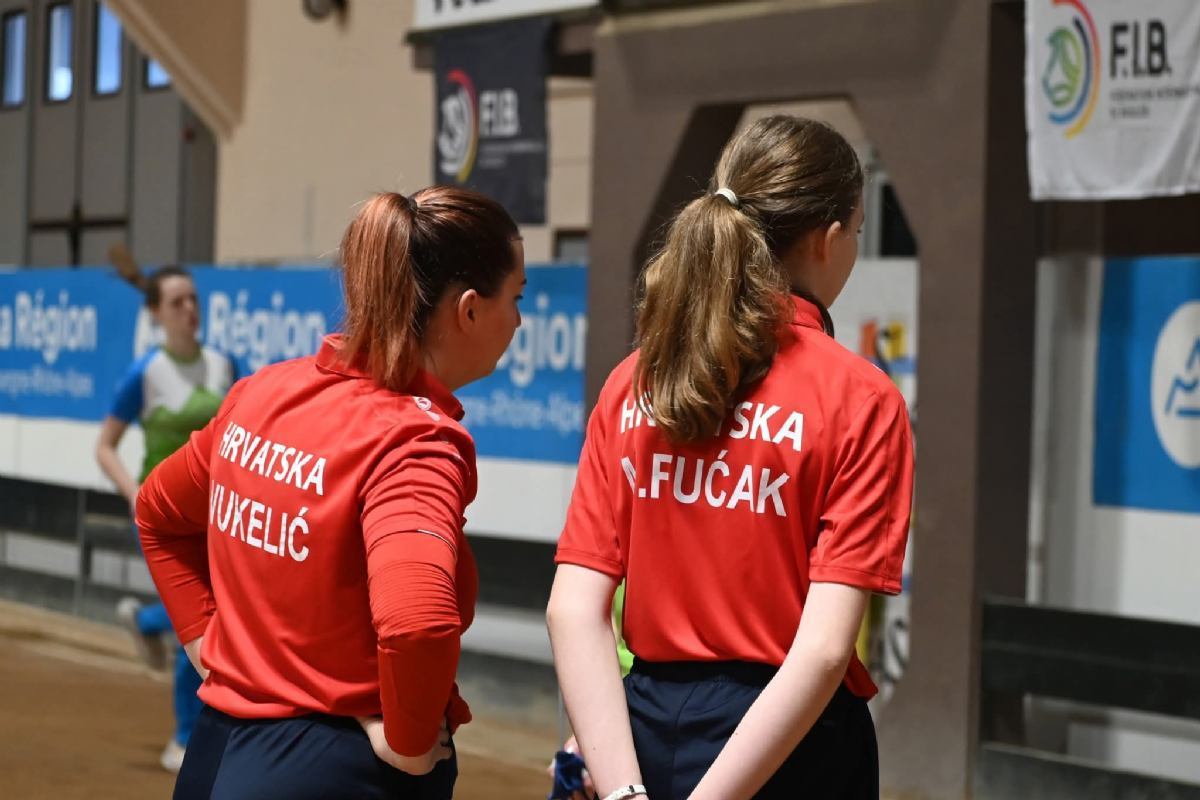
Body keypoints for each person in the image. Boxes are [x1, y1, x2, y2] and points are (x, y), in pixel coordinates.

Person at [547, 116, 914, 800]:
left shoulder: (633, 383)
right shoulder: (862, 399)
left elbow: (572, 610)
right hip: (790, 750)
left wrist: (622, 787)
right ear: (828, 239)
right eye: (859, 231)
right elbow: (824, 649)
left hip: (642, 734)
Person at [134, 188, 525, 799]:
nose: (520, 321)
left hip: (215, 756)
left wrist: (207, 645)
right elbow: (418, 622)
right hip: (332, 769)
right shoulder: (413, 439)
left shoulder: (261, 393)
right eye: (516, 298)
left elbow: (156, 513)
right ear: (469, 310)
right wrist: (409, 742)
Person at [95, 265, 237, 772]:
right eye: (177, 302)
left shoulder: (224, 364)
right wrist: (134, 494)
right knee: (198, 622)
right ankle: (184, 738)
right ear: (155, 312)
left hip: (221, 514)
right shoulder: (146, 372)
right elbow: (105, 446)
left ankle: (145, 620)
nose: (190, 310)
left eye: (193, 299)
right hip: (167, 517)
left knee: (207, 617)